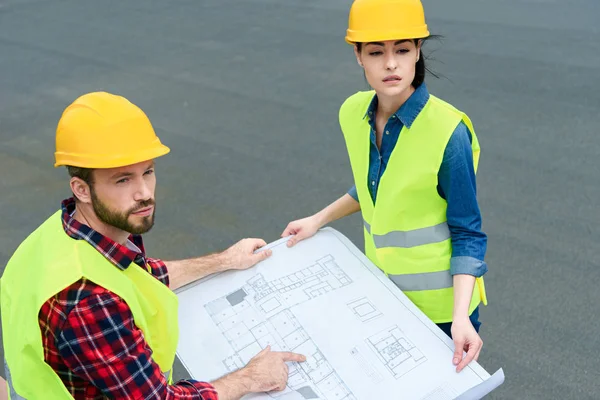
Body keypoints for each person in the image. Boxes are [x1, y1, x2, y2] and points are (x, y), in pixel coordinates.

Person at [0, 92, 305, 399]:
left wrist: (223, 261)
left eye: (147, 172)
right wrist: (251, 378)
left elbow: (138, 275)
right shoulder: (88, 302)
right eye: (123, 180)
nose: (144, 193)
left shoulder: (63, 231)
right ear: (82, 189)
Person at [282, 0, 488, 373]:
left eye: (403, 50)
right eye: (376, 52)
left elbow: (468, 232)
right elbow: (375, 187)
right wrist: (318, 219)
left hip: (443, 312)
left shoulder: (448, 132)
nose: (391, 64)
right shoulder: (352, 114)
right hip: (383, 296)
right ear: (358, 56)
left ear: (418, 51)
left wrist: (460, 318)